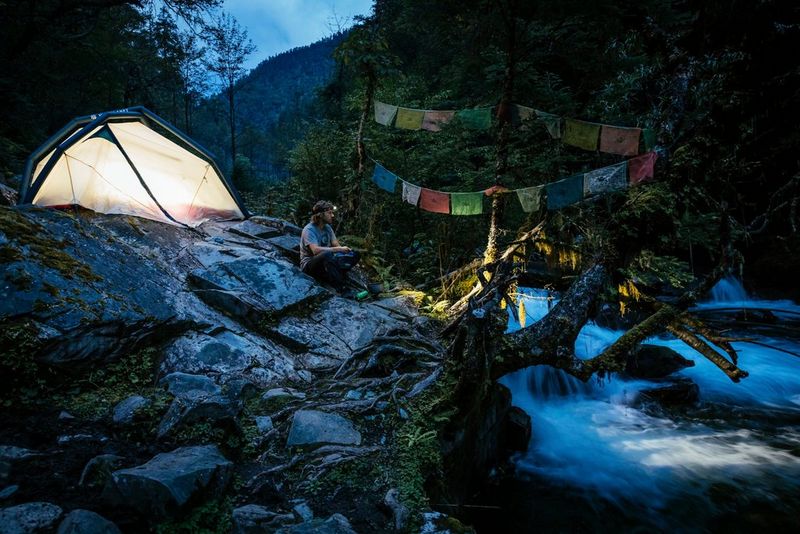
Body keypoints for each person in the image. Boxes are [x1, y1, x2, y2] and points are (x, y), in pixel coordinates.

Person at [300, 200, 360, 294]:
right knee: (327, 254)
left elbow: (336, 244)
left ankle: (338, 273)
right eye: (329, 213)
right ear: (320, 215)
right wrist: (338, 249)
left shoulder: (327, 227)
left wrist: (345, 252)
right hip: (310, 265)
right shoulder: (309, 230)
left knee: (355, 254)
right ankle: (341, 288)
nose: (332, 215)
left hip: (327, 260)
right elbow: (315, 250)